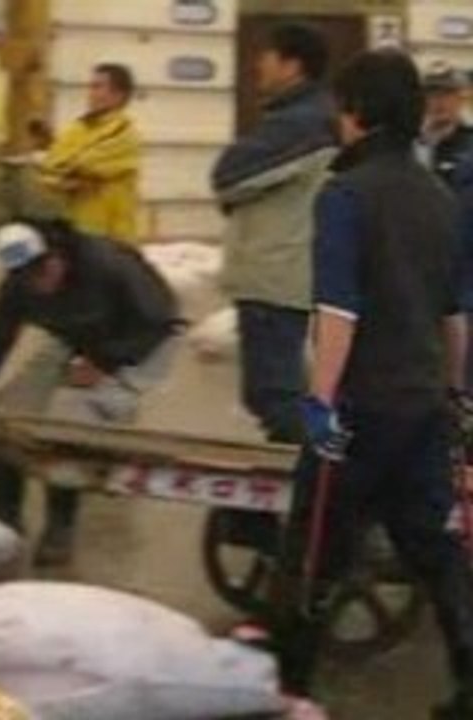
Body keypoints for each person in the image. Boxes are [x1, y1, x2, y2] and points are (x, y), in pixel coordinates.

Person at [273, 49, 473, 720]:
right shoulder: (440, 197)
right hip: (421, 409)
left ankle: (290, 694)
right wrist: (455, 395)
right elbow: (454, 312)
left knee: (311, 554)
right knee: (439, 556)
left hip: (359, 411)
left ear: (357, 111)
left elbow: (339, 310)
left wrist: (321, 403)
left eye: (341, 104)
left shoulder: (344, 194)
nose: (336, 116)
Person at [0, 217, 182, 565]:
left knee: (69, 421)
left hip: (144, 343)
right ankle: (2, 518)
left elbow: (160, 321)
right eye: (26, 280)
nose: (38, 286)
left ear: (57, 256)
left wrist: (105, 362)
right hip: (77, 342)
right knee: (6, 416)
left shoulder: (108, 266)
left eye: (42, 274)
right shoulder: (19, 286)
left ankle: (60, 525)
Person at [210, 22, 335, 556]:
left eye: (267, 57)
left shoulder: (300, 122)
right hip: (279, 276)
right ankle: (303, 501)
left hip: (275, 278)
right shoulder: (301, 119)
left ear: (293, 65)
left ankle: (322, 500)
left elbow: (228, 175)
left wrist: (232, 190)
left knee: (275, 397)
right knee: (279, 395)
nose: (258, 65)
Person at [37, 64, 142, 243]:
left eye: (98, 87)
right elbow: (49, 170)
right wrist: (66, 177)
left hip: (114, 235)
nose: (90, 93)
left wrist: (69, 171)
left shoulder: (124, 132)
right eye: (90, 86)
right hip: (80, 230)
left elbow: (88, 165)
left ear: (119, 95)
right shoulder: (77, 128)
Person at [419, 60, 473, 189]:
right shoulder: (413, 141)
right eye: (432, 94)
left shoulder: (470, 142)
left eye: (446, 94)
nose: (439, 101)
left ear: (460, 98)